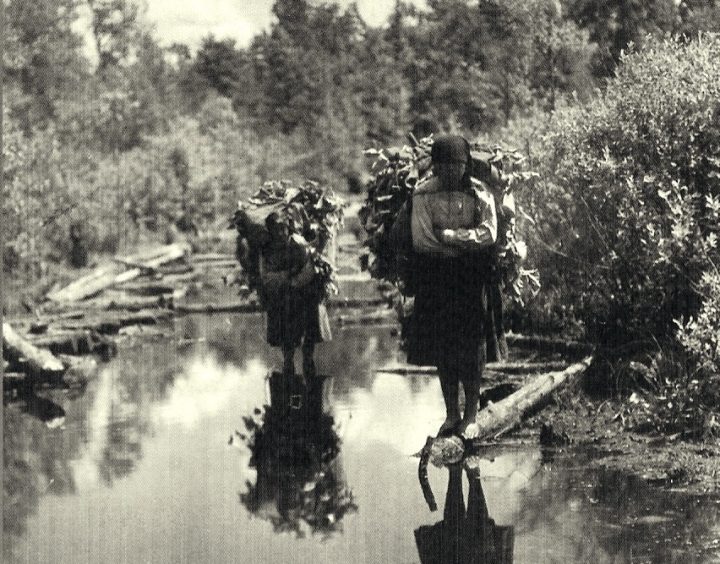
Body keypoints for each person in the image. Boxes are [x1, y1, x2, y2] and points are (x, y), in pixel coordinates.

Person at [405, 134, 502, 439]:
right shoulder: (422, 196)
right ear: (434, 166)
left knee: (472, 347)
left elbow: (489, 234)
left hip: (472, 281)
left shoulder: (481, 194)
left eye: (456, 165)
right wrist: (461, 244)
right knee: (444, 348)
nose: (449, 172)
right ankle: (451, 415)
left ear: (466, 165)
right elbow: (422, 241)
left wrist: (450, 237)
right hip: (437, 280)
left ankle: (471, 415)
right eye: (443, 165)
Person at [259, 212, 332, 387]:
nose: (281, 233)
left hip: (302, 297)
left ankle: (310, 394)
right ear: (270, 231)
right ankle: (289, 398)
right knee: (288, 350)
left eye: (283, 229)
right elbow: (266, 277)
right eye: (276, 230)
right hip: (281, 300)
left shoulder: (299, 244)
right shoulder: (267, 250)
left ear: (288, 228)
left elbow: (310, 268)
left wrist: (295, 280)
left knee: (308, 349)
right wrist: (285, 277)